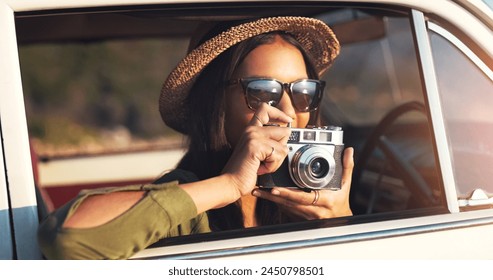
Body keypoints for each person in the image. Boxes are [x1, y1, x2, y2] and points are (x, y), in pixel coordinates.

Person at [37, 16, 354, 259]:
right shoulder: (187, 203)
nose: (287, 110)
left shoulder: (317, 197)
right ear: (215, 104)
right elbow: (69, 240)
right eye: (261, 92)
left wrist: (340, 222)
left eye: (304, 92)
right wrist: (229, 184)